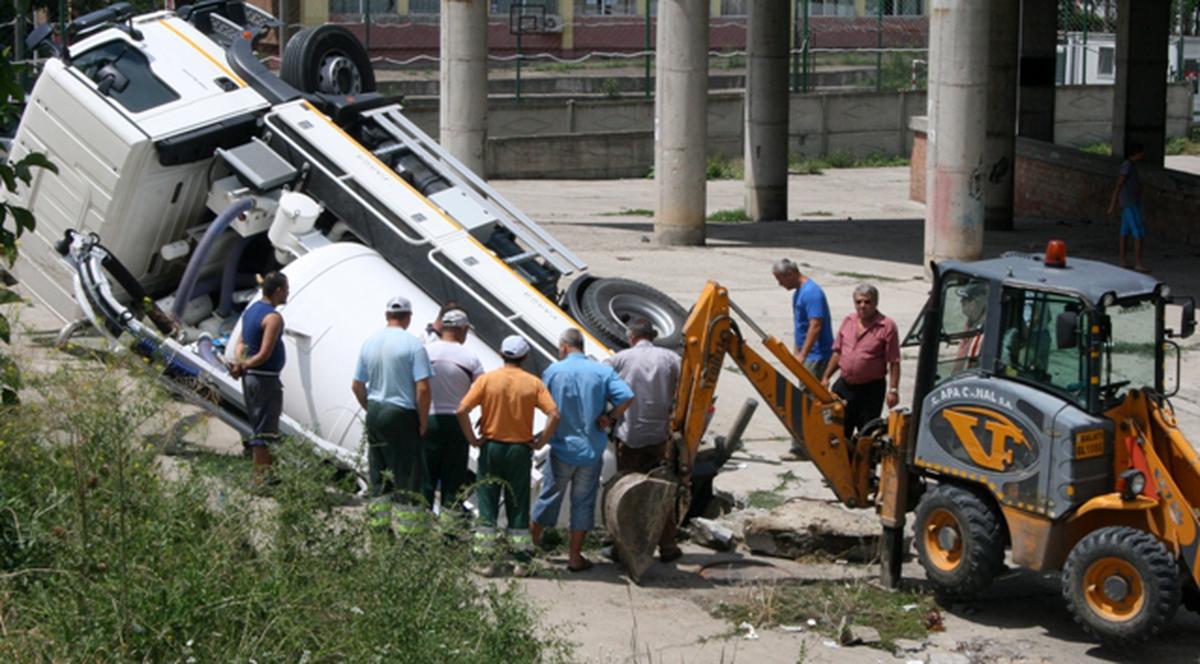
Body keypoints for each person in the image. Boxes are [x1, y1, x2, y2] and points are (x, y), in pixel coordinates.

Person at [531, 328, 634, 572]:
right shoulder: (601, 371)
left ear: (564, 347)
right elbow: (627, 396)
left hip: (561, 448)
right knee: (583, 502)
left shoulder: (553, 371)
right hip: (591, 449)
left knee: (549, 497)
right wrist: (610, 417)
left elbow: (542, 405)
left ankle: (530, 546)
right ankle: (575, 557)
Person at [457, 335, 559, 574]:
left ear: (502, 354)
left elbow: (461, 409)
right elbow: (554, 414)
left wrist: (472, 439)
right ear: (524, 357)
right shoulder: (533, 383)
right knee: (518, 503)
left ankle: (485, 560)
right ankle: (521, 562)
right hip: (519, 449)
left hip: (491, 447)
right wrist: (541, 440)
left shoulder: (487, 380)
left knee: (487, 502)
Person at [351, 295, 433, 533]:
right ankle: (410, 536)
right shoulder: (413, 345)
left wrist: (371, 409)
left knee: (379, 473)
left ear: (387, 316)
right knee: (408, 477)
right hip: (402, 412)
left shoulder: (370, 342)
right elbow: (423, 388)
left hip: (375, 409)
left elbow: (357, 385)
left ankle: (379, 531)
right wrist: (423, 421)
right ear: (408, 318)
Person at [604, 318, 683, 563]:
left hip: (629, 436)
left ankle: (624, 548)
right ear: (653, 335)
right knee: (661, 491)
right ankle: (668, 545)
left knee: (627, 492)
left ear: (631, 337)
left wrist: (606, 415)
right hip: (659, 437)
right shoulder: (671, 359)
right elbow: (685, 389)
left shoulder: (621, 359)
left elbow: (599, 379)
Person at [772, 258, 834, 461]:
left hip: (816, 356)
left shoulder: (811, 293)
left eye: (781, 279)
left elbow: (816, 325)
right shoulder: (799, 293)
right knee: (802, 398)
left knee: (807, 402)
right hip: (807, 355)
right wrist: (795, 354)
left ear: (790, 274)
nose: (780, 284)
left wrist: (803, 355)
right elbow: (801, 326)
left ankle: (805, 448)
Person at [423, 308, 483, 513]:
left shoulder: (425, 351)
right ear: (462, 330)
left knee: (425, 480)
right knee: (453, 483)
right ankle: (448, 536)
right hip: (457, 425)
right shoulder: (471, 358)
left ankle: (416, 534)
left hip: (427, 421)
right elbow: (484, 391)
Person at [821, 285, 901, 439]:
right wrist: (826, 377)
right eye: (858, 302)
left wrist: (893, 390)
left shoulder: (887, 326)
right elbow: (838, 352)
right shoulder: (848, 321)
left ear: (876, 303)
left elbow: (894, 361)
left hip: (870, 390)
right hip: (844, 387)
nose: (862, 306)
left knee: (866, 436)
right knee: (837, 432)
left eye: (867, 302)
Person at [231, 272, 289, 480]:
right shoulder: (272, 317)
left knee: (260, 426)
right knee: (265, 431)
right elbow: (265, 353)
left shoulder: (251, 311)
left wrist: (241, 363)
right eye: (286, 289)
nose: (288, 293)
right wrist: (246, 364)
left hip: (252, 377)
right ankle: (262, 479)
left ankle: (266, 475)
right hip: (265, 379)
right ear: (279, 290)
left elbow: (240, 344)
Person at [1107, 142, 1147, 272]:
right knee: (1138, 232)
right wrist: (1113, 204)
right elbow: (1119, 185)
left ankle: (1123, 259)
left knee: (1124, 232)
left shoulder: (1130, 166)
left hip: (1127, 202)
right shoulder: (1127, 166)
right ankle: (1138, 262)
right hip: (1129, 203)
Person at [955, 282, 988, 373]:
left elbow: (969, 363)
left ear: (975, 302)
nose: (961, 303)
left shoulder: (982, 331)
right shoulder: (971, 322)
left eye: (965, 301)